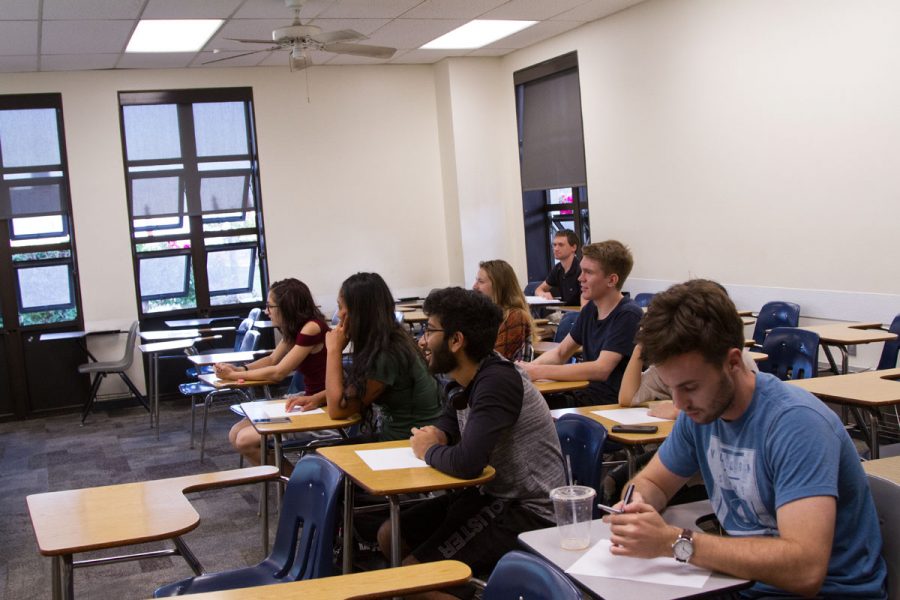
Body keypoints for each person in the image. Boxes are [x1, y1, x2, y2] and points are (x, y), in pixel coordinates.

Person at [605, 279, 886, 599]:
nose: (679, 404)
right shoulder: (699, 415)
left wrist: (674, 542)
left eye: (690, 387)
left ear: (734, 362)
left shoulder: (796, 425)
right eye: (671, 388)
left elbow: (805, 570)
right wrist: (636, 506)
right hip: (746, 584)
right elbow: (653, 484)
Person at [377, 287, 565, 599]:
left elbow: (467, 463)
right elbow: (450, 425)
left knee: (414, 581)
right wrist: (439, 435)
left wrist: (429, 449)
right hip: (491, 495)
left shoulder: (497, 381)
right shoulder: (463, 376)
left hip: (528, 508)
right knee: (389, 535)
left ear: (456, 340)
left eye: (430, 330)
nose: (422, 340)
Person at [300, 272, 442, 441]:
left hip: (409, 444)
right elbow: (357, 386)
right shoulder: (389, 339)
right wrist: (318, 398)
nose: (338, 315)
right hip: (400, 438)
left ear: (359, 313)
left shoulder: (386, 353)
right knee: (323, 455)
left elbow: (337, 410)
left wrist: (333, 351)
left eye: (340, 307)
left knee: (324, 457)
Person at [520, 239, 642, 406]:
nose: (580, 278)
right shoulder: (590, 309)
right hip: (583, 396)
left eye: (588, 272)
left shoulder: (628, 314)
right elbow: (560, 353)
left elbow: (601, 369)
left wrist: (537, 371)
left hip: (607, 404)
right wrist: (524, 371)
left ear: (612, 280)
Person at [221, 278, 329, 466]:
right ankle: (295, 485)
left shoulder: (312, 328)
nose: (266, 311)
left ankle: (299, 488)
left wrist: (235, 375)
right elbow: (272, 360)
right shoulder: (296, 327)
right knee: (235, 433)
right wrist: (240, 369)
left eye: (270, 306)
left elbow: (278, 372)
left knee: (245, 440)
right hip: (307, 398)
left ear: (286, 307)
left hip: (321, 405)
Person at [472, 259, 537, 361]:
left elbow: (494, 361)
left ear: (498, 286)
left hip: (500, 374)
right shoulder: (484, 314)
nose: (474, 286)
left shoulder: (516, 316)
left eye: (481, 281)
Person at [534, 229, 583, 306]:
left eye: (561, 245)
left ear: (573, 247)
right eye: (554, 245)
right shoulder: (558, 268)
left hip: (577, 314)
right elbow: (538, 289)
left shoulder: (581, 269)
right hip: (564, 312)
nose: (556, 249)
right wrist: (543, 294)